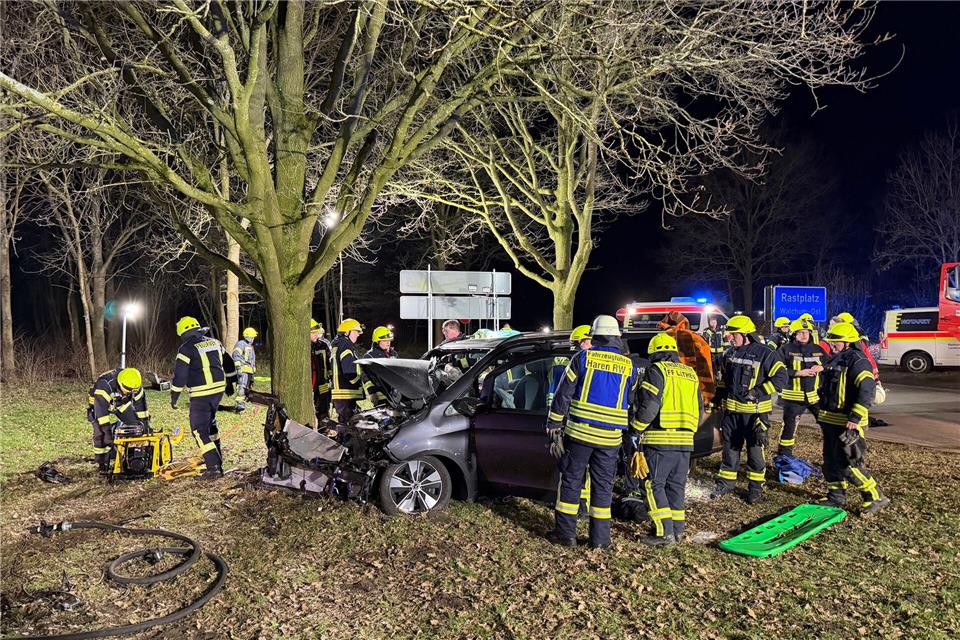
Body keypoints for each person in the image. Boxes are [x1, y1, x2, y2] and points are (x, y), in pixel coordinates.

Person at [545, 315, 637, 549]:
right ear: (616, 336)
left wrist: (554, 424)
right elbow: (631, 399)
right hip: (611, 438)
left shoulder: (583, 358)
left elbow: (563, 394)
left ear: (595, 335)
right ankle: (600, 540)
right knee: (603, 487)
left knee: (572, 482)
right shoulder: (629, 366)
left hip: (580, 434)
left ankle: (566, 535)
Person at [631, 332, 702, 546]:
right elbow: (699, 408)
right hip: (686, 441)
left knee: (653, 485)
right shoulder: (690, 374)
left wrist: (635, 428)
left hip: (660, 439)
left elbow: (650, 405)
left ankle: (663, 533)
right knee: (676, 487)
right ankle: (677, 531)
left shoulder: (657, 370)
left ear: (654, 355)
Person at [711, 315, 787, 504]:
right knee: (730, 451)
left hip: (755, 414)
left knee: (755, 453)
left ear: (746, 334)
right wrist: (716, 400)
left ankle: (755, 490)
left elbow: (781, 378)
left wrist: (759, 391)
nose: (730, 338)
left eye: (734, 334)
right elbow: (723, 381)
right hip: (731, 414)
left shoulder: (766, 353)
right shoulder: (729, 354)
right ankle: (726, 484)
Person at [816, 322, 890, 513]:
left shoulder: (858, 361)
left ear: (848, 342)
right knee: (830, 460)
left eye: (837, 342)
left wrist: (855, 418)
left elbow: (867, 390)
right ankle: (836, 496)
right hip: (831, 418)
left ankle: (875, 496)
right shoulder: (835, 359)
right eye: (832, 341)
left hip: (848, 421)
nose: (832, 345)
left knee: (849, 464)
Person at [171, 316, 236, 479]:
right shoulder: (214, 342)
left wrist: (174, 397)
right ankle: (217, 459)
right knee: (210, 426)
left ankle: (213, 468)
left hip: (201, 393)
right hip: (218, 391)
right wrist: (230, 382)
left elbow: (180, 376)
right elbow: (229, 363)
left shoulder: (186, 348)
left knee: (199, 430)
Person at [776, 318, 825, 456]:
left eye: (806, 332)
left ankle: (832, 454)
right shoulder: (785, 349)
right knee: (789, 428)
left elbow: (830, 365)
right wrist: (797, 373)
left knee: (826, 424)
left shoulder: (818, 349)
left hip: (814, 396)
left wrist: (822, 367)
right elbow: (777, 370)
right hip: (793, 398)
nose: (804, 335)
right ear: (794, 334)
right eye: (801, 332)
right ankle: (784, 456)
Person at [87, 367, 150, 474]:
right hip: (98, 403)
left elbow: (141, 408)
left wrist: (144, 426)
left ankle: (131, 455)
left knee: (135, 426)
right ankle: (102, 463)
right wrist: (106, 432)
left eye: (132, 391)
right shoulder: (105, 385)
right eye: (127, 390)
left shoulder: (135, 386)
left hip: (120, 402)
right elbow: (101, 413)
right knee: (100, 433)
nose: (130, 392)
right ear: (120, 383)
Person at [331, 318, 364, 427]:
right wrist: (358, 382)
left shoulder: (336, 344)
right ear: (346, 332)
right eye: (355, 332)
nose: (358, 335)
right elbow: (349, 370)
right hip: (347, 391)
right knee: (348, 424)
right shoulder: (346, 345)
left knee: (344, 421)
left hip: (339, 391)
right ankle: (344, 442)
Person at [310, 320, 332, 423]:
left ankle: (324, 429)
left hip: (322, 383)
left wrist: (330, 379)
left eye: (317, 332)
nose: (316, 335)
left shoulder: (323, 345)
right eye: (313, 333)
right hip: (309, 385)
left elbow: (330, 364)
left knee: (323, 406)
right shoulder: (303, 347)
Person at [232, 327, 257, 410]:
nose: (253, 339)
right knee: (242, 386)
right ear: (247, 336)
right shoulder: (241, 344)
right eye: (252, 337)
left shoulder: (250, 346)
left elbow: (252, 360)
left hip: (249, 371)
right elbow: (236, 355)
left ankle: (244, 402)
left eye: (253, 337)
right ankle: (240, 404)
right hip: (243, 370)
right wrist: (238, 368)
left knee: (247, 387)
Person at [701, 315, 726, 385]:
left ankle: (723, 379)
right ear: (709, 323)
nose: (713, 324)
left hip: (720, 352)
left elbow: (725, 339)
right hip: (711, 352)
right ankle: (715, 380)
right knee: (713, 366)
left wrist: (726, 347)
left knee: (721, 366)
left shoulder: (721, 331)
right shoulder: (706, 331)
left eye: (714, 322)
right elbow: (705, 341)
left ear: (716, 322)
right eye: (711, 322)